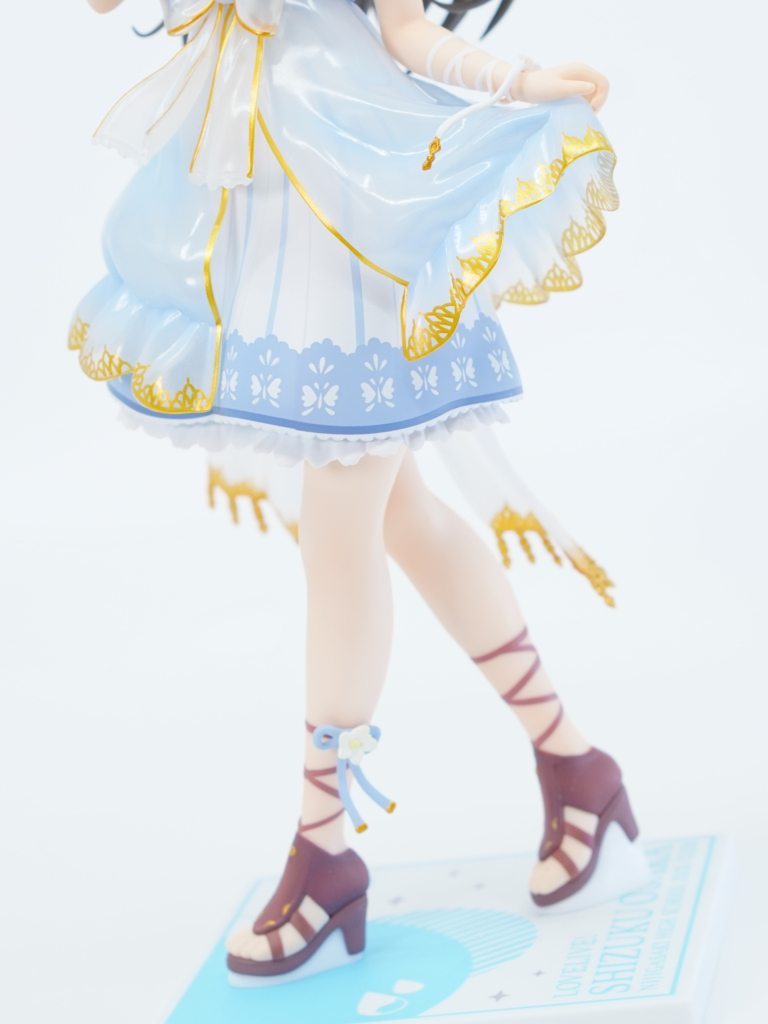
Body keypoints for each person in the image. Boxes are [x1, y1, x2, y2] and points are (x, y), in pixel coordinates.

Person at [76, 0, 636, 979]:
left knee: (339, 533)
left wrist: (522, 82)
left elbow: (406, 32)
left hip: (362, 222)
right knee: (404, 518)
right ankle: (575, 764)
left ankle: (325, 845)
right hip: (271, 218)